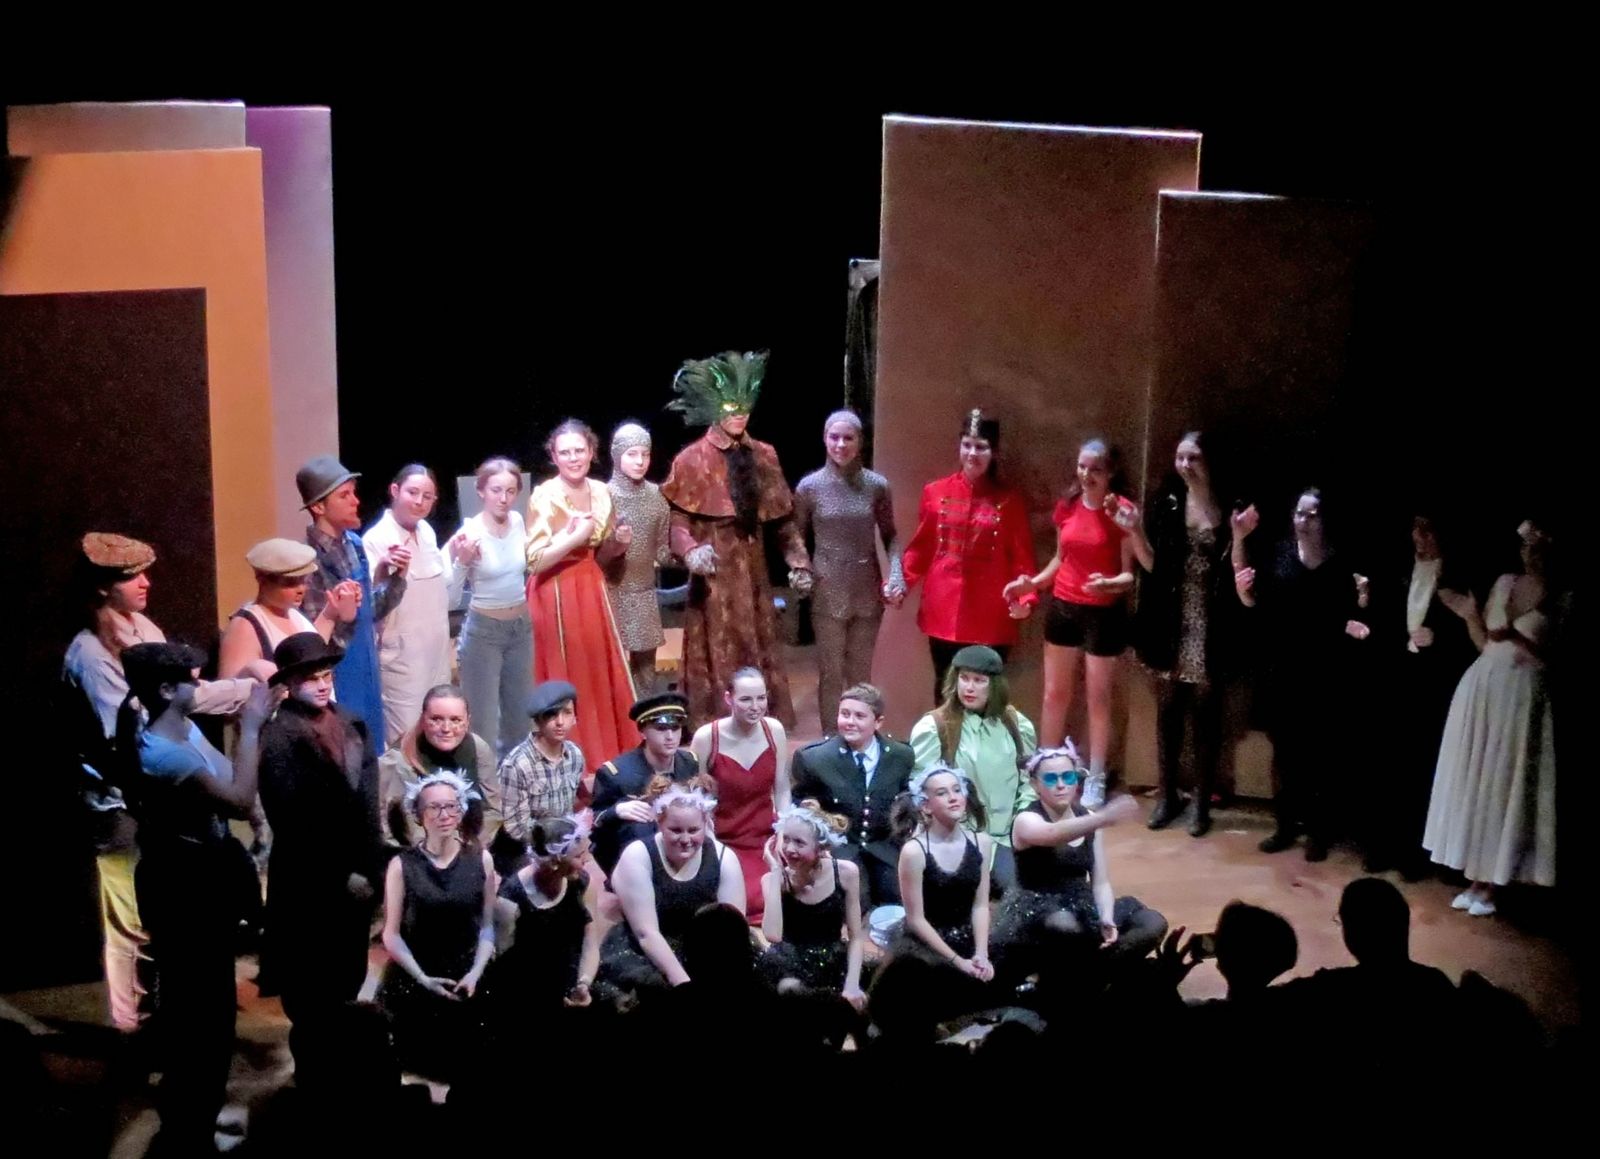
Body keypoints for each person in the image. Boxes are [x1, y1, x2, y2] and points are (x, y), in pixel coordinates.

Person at [62, 533, 255, 1033]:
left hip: (159, 802)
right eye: (132, 577)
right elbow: (130, 730)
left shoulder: (142, 627)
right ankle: (130, 1025)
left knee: (162, 920)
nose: (146, 583)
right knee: (127, 920)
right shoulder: (90, 654)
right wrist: (245, 694)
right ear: (104, 587)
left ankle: (169, 1016)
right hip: (118, 804)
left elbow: (182, 697)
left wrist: (246, 688)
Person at [116, 644, 274, 1153]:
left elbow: (228, 780)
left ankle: (195, 1121)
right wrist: (251, 727)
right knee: (199, 1017)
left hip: (201, 881)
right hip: (185, 889)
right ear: (166, 690)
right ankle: (187, 1131)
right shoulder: (165, 754)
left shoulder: (183, 730)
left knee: (210, 1012)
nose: (199, 684)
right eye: (190, 679)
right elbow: (238, 798)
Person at [256, 632, 386, 1087]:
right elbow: (292, 820)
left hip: (356, 874)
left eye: (326, 675)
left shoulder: (352, 723)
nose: (322, 684)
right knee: (310, 983)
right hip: (310, 882)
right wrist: (339, 874)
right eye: (311, 678)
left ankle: (342, 1069)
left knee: (348, 971)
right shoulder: (279, 736)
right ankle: (314, 1077)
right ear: (290, 684)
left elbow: (368, 804)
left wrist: (370, 867)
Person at [661, 350, 812, 726]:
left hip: (753, 575)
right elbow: (677, 520)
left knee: (756, 643)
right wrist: (691, 551)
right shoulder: (691, 460)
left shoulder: (764, 455)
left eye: (745, 406)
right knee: (717, 649)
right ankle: (713, 727)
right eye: (730, 407)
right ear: (713, 408)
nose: (739, 414)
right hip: (713, 579)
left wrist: (799, 562)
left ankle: (760, 727)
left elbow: (782, 521)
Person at [1004, 438, 1152, 806]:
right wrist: (1033, 583)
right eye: (1082, 467)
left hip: (1103, 613)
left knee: (1098, 698)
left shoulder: (1122, 511)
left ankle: (1095, 775)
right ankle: (1045, 767)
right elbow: (1060, 559)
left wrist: (1108, 584)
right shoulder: (1068, 506)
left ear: (1110, 473)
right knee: (1055, 693)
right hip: (1064, 606)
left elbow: (1130, 574)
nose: (1086, 475)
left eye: (1095, 469)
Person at [1424, 518, 1559, 915]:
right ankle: (1476, 879)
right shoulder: (1504, 582)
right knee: (1478, 781)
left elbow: (1557, 653)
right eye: (1527, 547)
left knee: (1504, 782)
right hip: (1483, 688)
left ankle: (1495, 883)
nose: (1530, 555)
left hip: (1522, 695)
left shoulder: (1561, 596)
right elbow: (1485, 642)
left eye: (1538, 548)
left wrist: (1524, 643)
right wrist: (1470, 615)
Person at [1233, 487, 1371, 860]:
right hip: (1283, 670)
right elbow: (1255, 602)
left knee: (1321, 754)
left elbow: (1352, 615)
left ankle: (1318, 831)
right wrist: (1242, 581)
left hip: (1325, 673)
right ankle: (1284, 826)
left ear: (1325, 521)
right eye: (1299, 513)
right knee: (1284, 752)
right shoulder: (1279, 555)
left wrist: (1360, 607)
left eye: (1312, 515)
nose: (1304, 521)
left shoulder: (1341, 565)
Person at [1133, 432, 1241, 837]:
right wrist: (1132, 530)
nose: (1184, 465)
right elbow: (1153, 565)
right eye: (1180, 457)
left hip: (1212, 621)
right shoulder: (1167, 502)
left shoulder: (1228, 505)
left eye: (1192, 457)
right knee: (1169, 709)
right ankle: (1167, 795)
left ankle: (1201, 801)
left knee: (1206, 713)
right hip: (1171, 618)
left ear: (1209, 461)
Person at [993, 746, 1165, 985]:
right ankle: (1087, 976)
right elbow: (1052, 833)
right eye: (1051, 779)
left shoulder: (1088, 818)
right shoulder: (1026, 820)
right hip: (1037, 912)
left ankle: (1091, 974)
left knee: (1153, 923)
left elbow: (1100, 882)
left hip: (1081, 905)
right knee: (1064, 926)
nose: (1061, 785)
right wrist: (1104, 818)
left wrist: (1106, 916)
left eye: (1068, 776)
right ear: (1035, 785)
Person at [900, 408, 1037, 701]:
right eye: (967, 445)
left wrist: (1026, 599)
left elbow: (1021, 558)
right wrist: (900, 583)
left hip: (991, 614)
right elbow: (921, 548)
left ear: (994, 452)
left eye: (981, 447)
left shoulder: (1009, 500)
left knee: (986, 697)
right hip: (943, 611)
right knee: (945, 690)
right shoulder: (935, 492)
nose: (973, 453)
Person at [526, 418, 638, 770]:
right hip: (555, 592)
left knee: (597, 672)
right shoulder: (545, 495)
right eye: (565, 452)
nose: (573, 458)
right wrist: (574, 537)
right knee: (567, 671)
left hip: (591, 587)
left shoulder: (602, 492)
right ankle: (569, 760)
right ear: (554, 457)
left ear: (592, 452)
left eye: (579, 450)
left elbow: (600, 554)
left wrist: (617, 545)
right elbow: (535, 560)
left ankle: (605, 756)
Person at [378, 771, 495, 1081]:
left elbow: (487, 926)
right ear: (419, 815)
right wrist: (421, 978)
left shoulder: (481, 859)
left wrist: (476, 972)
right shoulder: (402, 865)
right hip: (419, 973)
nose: (445, 815)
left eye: (451, 806)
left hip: (467, 974)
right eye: (435, 807)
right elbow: (391, 934)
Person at [793, 409, 903, 734]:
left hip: (866, 588)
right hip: (827, 588)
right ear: (824, 439)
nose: (841, 445)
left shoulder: (876, 486)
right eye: (834, 437)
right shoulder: (809, 487)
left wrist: (896, 572)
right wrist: (800, 568)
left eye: (848, 438)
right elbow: (795, 538)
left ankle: (861, 737)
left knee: (860, 674)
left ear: (860, 441)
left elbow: (891, 536)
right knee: (830, 673)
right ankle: (831, 741)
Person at [297, 455, 408, 750]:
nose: (355, 501)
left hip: (366, 671)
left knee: (372, 748)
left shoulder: (354, 545)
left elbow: (370, 611)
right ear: (318, 507)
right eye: (344, 495)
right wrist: (341, 617)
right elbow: (315, 644)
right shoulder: (310, 562)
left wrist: (395, 578)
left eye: (353, 493)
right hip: (340, 677)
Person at [597, 777, 745, 994]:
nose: (685, 839)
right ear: (659, 824)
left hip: (707, 949)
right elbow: (647, 933)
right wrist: (684, 985)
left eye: (693, 830)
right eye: (676, 830)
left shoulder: (724, 858)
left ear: (706, 824)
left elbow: (733, 930)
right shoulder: (638, 855)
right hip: (650, 950)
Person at [907, 646, 1036, 893]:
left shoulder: (1016, 724)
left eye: (979, 680)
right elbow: (921, 791)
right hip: (959, 835)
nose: (969, 687)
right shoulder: (935, 727)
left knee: (1025, 889)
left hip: (1007, 836)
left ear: (994, 685)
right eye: (964, 678)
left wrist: (1022, 821)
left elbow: (1029, 780)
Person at [790, 682, 915, 907]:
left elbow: (907, 805)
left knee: (898, 900)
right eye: (845, 714)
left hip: (884, 847)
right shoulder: (815, 759)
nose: (850, 722)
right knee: (856, 900)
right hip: (841, 848)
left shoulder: (901, 756)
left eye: (859, 716)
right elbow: (801, 808)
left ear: (878, 722)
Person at [446, 457, 534, 760]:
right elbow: (450, 597)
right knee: (483, 723)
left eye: (510, 491)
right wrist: (462, 562)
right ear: (481, 491)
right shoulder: (469, 532)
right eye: (496, 490)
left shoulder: (518, 522)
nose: (504, 498)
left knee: (520, 720)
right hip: (484, 632)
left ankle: (517, 783)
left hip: (520, 629)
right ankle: (484, 785)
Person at [889, 765, 995, 1016]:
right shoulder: (915, 851)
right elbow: (916, 919)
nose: (953, 797)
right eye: (942, 793)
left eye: (957, 790)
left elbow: (980, 905)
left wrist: (981, 953)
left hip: (968, 935)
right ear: (926, 806)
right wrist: (958, 962)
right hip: (928, 941)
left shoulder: (981, 842)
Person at [690, 667, 792, 923]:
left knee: (793, 890)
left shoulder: (774, 730)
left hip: (765, 836)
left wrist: (784, 831)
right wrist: (711, 845)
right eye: (746, 699)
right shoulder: (706, 738)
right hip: (723, 838)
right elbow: (695, 801)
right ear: (729, 699)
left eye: (761, 698)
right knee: (744, 900)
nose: (755, 707)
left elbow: (782, 788)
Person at [362, 465, 453, 745]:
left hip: (436, 653)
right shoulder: (375, 539)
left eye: (427, 496)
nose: (419, 502)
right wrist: (383, 570)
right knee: (405, 737)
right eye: (412, 493)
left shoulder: (427, 531)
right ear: (394, 490)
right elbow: (371, 604)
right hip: (402, 657)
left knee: (439, 731)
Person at [492, 813, 602, 1022]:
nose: (587, 860)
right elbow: (504, 962)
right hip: (527, 990)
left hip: (573, 975)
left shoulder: (582, 884)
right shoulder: (510, 898)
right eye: (579, 856)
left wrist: (584, 982)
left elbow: (590, 943)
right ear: (554, 862)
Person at [759, 800, 868, 1009]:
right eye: (786, 839)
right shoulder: (774, 880)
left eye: (799, 843)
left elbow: (856, 936)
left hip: (832, 961)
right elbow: (773, 935)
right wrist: (775, 872)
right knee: (790, 992)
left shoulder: (846, 873)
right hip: (788, 966)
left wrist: (852, 984)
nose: (789, 848)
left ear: (821, 847)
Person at [378, 683, 504, 857]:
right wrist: (444, 852)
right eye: (436, 719)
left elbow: (493, 811)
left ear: (467, 721)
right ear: (423, 719)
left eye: (455, 720)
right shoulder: (398, 761)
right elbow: (399, 827)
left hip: (469, 845)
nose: (446, 728)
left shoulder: (478, 748)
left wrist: (469, 844)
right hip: (415, 852)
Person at [591, 692, 699, 878]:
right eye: (661, 729)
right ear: (643, 731)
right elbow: (594, 823)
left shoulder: (689, 763)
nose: (670, 736)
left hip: (683, 851)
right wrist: (616, 811)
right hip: (636, 865)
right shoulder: (616, 773)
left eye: (675, 728)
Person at [603, 421, 672, 695]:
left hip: (644, 594)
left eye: (645, 454)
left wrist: (689, 554)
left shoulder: (656, 497)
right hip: (611, 594)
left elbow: (663, 550)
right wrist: (615, 543)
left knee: (646, 673)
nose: (640, 461)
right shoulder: (603, 496)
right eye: (632, 454)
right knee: (612, 670)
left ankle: (645, 718)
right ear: (616, 455)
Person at [219, 538, 349, 681]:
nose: (301, 589)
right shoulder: (246, 627)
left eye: (304, 581)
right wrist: (250, 671)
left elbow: (310, 653)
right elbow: (231, 689)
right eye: (290, 583)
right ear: (263, 581)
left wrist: (331, 613)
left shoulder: (294, 614)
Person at [498, 681, 586, 844]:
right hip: (528, 847)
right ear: (538, 721)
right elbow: (515, 828)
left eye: (567, 713)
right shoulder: (517, 764)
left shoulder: (575, 755)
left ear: (575, 718)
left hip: (564, 843)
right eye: (552, 714)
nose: (560, 722)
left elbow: (571, 808)